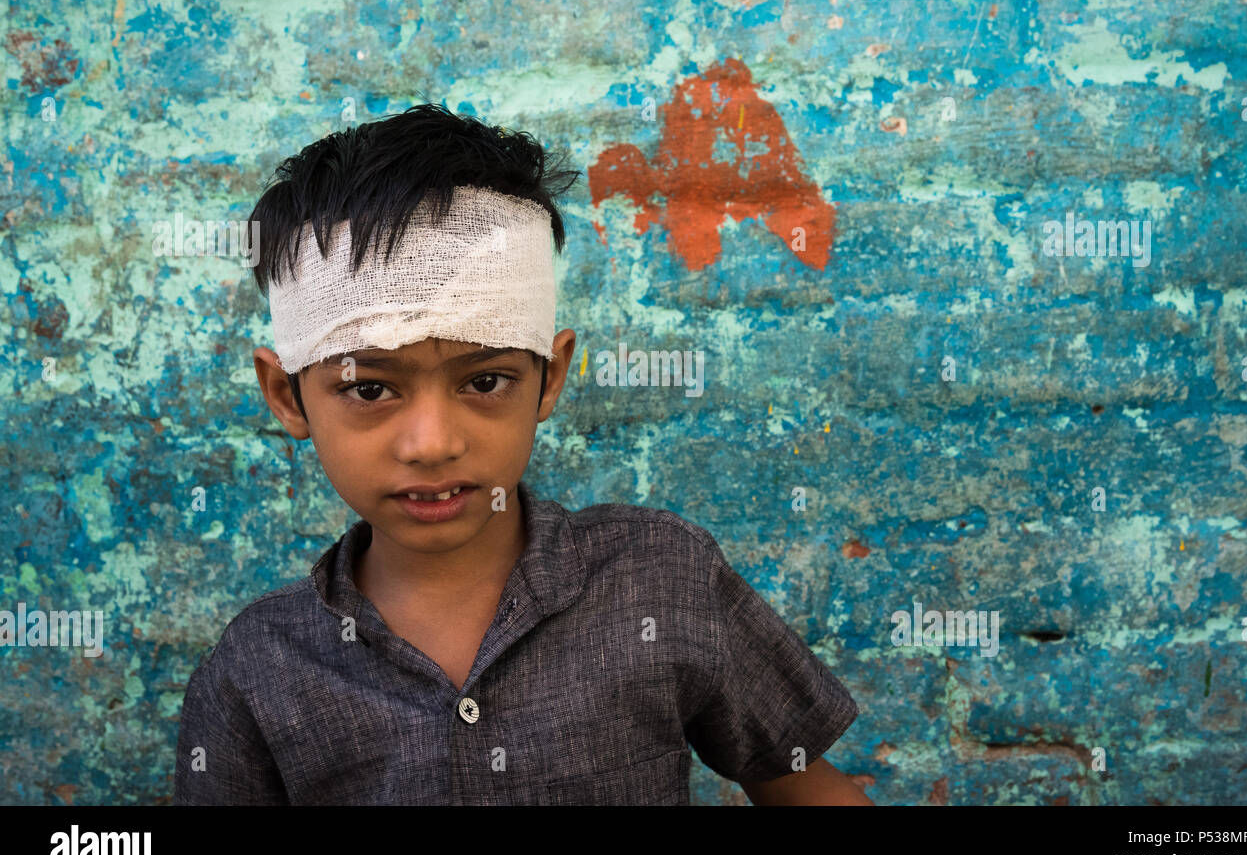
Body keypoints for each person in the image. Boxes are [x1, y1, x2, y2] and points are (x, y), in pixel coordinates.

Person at [172, 103, 865, 805]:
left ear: (550, 377)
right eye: (371, 388)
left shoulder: (661, 580)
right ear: (286, 396)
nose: (434, 442)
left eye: (485, 380)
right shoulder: (257, 669)